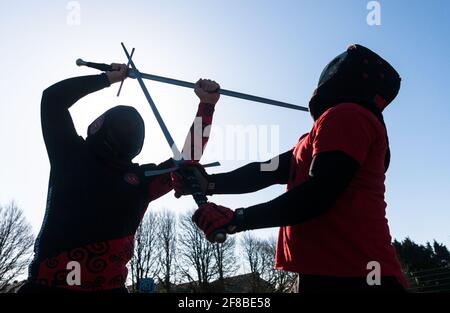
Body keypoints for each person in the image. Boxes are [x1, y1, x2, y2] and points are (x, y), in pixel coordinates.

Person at [173, 44, 407, 292]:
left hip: (356, 275)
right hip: (324, 272)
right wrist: (209, 183)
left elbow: (320, 193)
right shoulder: (317, 134)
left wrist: (238, 219)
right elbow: (268, 170)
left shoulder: (348, 114)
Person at [19, 64, 220, 293]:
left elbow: (53, 98)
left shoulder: (70, 153)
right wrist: (207, 105)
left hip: (50, 286)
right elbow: (188, 160)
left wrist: (108, 78)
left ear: (98, 125)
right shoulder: (143, 179)